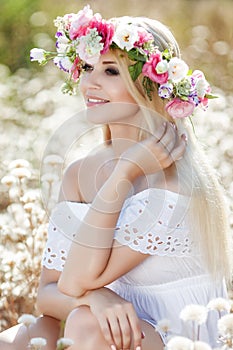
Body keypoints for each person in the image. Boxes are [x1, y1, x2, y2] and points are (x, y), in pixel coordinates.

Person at [0, 4, 231, 350]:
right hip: (113, 322)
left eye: (110, 71)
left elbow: (75, 279)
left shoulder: (173, 183)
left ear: (148, 85)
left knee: (85, 325)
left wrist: (125, 172)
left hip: (178, 333)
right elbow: (47, 296)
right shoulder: (79, 172)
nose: (90, 83)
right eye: (88, 67)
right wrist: (97, 298)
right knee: (16, 340)